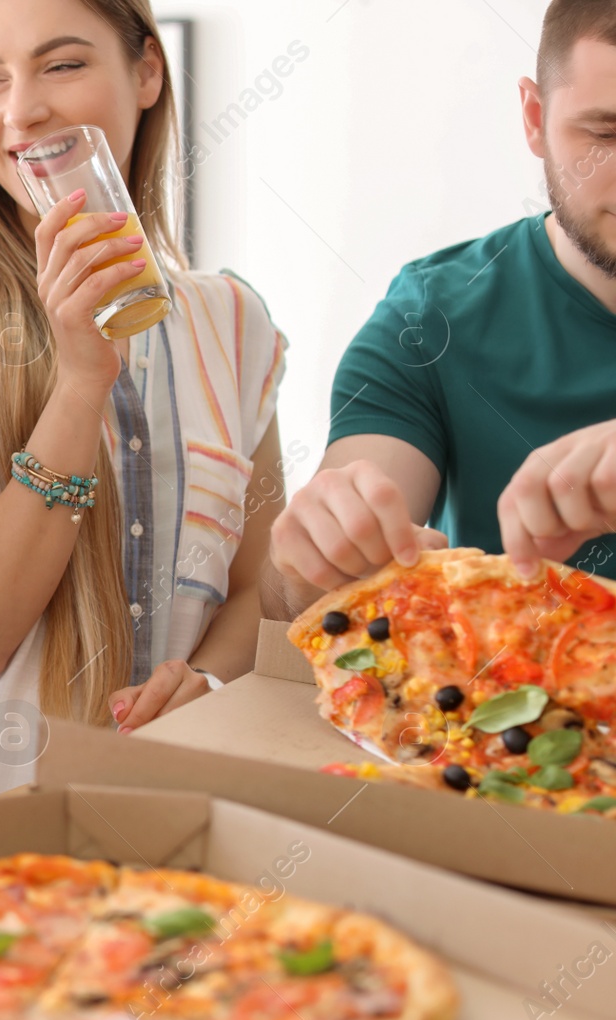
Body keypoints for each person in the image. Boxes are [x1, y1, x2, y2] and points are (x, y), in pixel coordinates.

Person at [0, 0, 289, 803]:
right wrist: (82, 382)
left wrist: (206, 685)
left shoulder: (234, 322)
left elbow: (258, 586)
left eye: (63, 64)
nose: (21, 110)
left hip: (165, 815)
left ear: (147, 72)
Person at [264, 0, 616, 619]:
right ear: (534, 118)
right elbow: (320, 597)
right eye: (606, 135)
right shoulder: (431, 317)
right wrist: (319, 554)